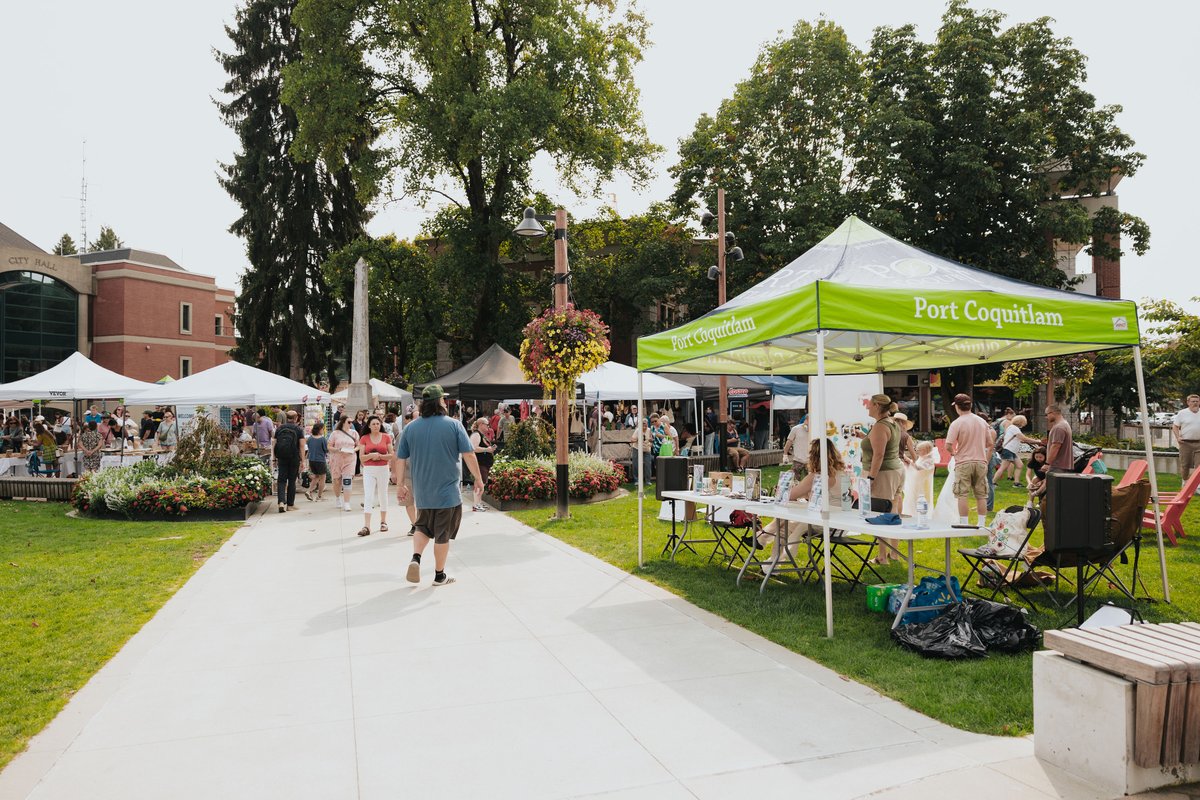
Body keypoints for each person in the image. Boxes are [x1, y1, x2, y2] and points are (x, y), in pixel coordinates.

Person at [396, 384, 483, 587]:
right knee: (442, 535)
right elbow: (469, 454)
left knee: (422, 527)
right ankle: (439, 575)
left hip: (423, 493)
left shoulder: (411, 428)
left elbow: (400, 458)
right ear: (440, 402)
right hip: (448, 493)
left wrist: (400, 484)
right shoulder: (453, 425)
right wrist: (478, 479)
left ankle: (415, 558)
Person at [753, 439, 845, 555]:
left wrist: (786, 489)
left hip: (823, 522)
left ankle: (768, 550)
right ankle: (764, 541)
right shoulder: (841, 473)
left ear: (814, 456)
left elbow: (790, 496)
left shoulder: (818, 476)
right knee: (786, 520)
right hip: (839, 522)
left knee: (785, 525)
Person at [861, 394, 905, 564]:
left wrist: (871, 477)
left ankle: (882, 556)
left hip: (884, 473)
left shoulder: (880, 426)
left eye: (869, 404)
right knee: (892, 511)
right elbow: (881, 447)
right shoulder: (892, 422)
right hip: (895, 470)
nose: (867, 407)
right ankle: (892, 554)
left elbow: (878, 455)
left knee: (881, 513)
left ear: (877, 406)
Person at [945, 393, 994, 525]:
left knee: (962, 494)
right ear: (970, 405)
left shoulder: (957, 423)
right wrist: (986, 460)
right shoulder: (982, 421)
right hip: (980, 461)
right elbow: (990, 444)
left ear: (956, 407)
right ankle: (981, 523)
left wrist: (954, 453)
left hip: (963, 462)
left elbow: (948, 445)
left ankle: (964, 523)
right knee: (981, 494)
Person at [355, 415, 393, 536]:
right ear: (369, 426)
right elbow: (361, 457)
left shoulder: (386, 437)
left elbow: (391, 454)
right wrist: (372, 455)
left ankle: (383, 521)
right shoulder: (364, 438)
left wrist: (380, 456)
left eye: (378, 424)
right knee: (368, 496)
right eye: (374, 424)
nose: (376, 426)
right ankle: (366, 526)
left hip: (383, 468)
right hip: (369, 469)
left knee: (383, 494)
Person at [273, 410, 307, 513]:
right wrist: (303, 461)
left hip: (282, 457)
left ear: (286, 417)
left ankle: (281, 502)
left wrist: (274, 458)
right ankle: (290, 505)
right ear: (296, 418)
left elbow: (274, 444)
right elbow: (302, 446)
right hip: (294, 457)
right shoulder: (298, 429)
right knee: (292, 480)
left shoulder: (279, 428)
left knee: (281, 480)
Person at [993, 414, 1038, 487]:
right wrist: (1037, 441)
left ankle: (1016, 483)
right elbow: (1024, 438)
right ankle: (993, 482)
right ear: (1021, 422)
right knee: (1003, 467)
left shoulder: (1011, 427)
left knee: (1019, 465)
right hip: (1008, 450)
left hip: (1011, 450)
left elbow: (1020, 439)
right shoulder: (1014, 428)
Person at [328, 417, 359, 512]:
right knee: (337, 480)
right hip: (337, 459)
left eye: (351, 422)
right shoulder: (335, 433)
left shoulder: (354, 433)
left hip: (350, 459)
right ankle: (338, 497)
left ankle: (347, 503)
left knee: (347, 480)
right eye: (348, 422)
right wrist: (337, 449)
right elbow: (329, 446)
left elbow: (359, 445)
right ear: (343, 422)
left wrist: (354, 450)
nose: (350, 423)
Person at [468, 417, 496, 512]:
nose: (488, 426)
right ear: (481, 425)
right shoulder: (476, 434)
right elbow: (473, 448)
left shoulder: (481, 435)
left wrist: (489, 449)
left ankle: (478, 503)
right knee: (479, 484)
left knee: (481, 484)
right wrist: (487, 449)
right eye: (487, 424)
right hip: (479, 463)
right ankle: (476, 505)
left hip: (483, 464)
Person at [1173, 394, 1200, 490]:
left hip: (1199, 443)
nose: (1195, 403)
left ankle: (1197, 485)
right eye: (1193, 401)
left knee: (1199, 465)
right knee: (1185, 465)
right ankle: (1185, 481)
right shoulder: (1182, 413)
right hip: (1185, 443)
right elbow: (1175, 426)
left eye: (1197, 401)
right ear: (1188, 402)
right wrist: (1178, 437)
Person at [1044, 404, 1074, 471]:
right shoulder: (1065, 424)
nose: (1046, 417)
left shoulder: (1059, 427)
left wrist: (1047, 463)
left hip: (1058, 465)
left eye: (1046, 415)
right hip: (1063, 465)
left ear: (1052, 413)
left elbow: (1056, 446)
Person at [305, 421, 329, 501]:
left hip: (311, 459)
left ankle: (309, 491)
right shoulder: (322, 439)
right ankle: (319, 496)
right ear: (320, 430)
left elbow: (308, 448)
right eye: (323, 429)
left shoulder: (310, 438)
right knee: (322, 478)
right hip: (320, 460)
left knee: (316, 476)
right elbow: (326, 450)